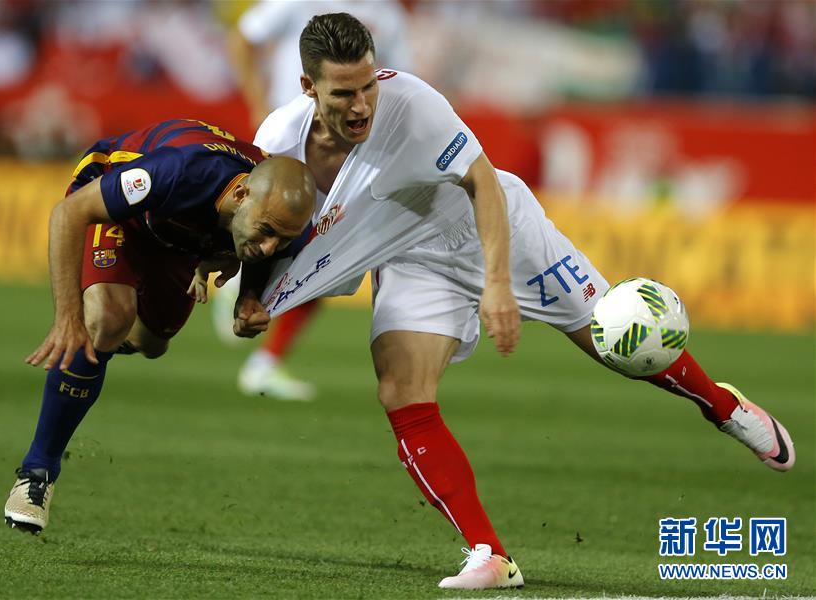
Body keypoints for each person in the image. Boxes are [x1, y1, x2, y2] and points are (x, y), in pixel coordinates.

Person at [238, 13, 796, 590]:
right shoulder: (279, 143)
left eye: (367, 87)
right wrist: (250, 296)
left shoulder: (412, 105)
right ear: (308, 89)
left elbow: (480, 180)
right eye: (344, 93)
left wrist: (498, 283)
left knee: (620, 343)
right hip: (413, 258)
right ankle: (490, 554)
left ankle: (723, 407)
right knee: (400, 390)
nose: (361, 106)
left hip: (499, 227)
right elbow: (265, 233)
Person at [3, 119, 316, 534]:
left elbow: (274, 253)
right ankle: (36, 474)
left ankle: (100, 346)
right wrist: (68, 318)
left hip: (182, 236)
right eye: (266, 232)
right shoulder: (180, 172)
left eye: (283, 239)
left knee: (152, 343)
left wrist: (250, 299)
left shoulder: (287, 221)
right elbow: (69, 213)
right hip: (122, 211)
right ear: (240, 195)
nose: (271, 245)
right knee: (107, 320)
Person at [218, 0, 412, 402]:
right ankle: (236, 276)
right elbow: (243, 38)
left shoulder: (387, 13)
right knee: (288, 234)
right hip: (289, 145)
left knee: (329, 256)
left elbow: (401, 78)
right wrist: (257, 100)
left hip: (349, 150)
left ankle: (261, 346)